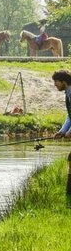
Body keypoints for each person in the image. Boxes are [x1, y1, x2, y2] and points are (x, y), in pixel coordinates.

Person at [52, 69, 71, 198]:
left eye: (56, 82)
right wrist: (62, 131)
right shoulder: (68, 93)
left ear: (63, 81)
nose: (55, 85)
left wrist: (70, 132)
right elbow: (70, 116)